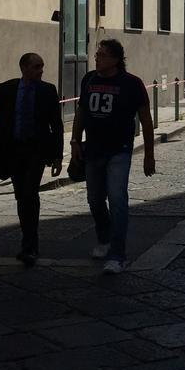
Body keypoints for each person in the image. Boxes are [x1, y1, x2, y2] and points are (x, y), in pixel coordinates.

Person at [71, 39, 156, 274]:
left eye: (102, 55)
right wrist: (75, 140)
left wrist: (149, 154)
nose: (97, 57)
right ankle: (105, 238)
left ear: (116, 59)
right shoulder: (89, 79)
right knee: (95, 200)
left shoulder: (131, 84)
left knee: (117, 200)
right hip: (93, 149)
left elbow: (146, 120)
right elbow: (82, 112)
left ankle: (117, 254)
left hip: (119, 149)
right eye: (97, 54)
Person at [0, 53, 63, 266]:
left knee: (30, 193)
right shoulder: (8, 89)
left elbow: (56, 125)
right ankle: (27, 241)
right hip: (14, 150)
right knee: (21, 196)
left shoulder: (48, 91)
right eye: (37, 67)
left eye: (42, 67)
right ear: (24, 68)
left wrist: (57, 156)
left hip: (36, 151)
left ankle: (30, 245)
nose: (41, 71)